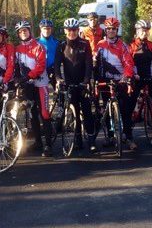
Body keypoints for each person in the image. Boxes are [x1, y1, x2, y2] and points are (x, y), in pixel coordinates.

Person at [93, 17, 137, 150]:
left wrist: (126, 77)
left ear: (117, 30)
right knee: (107, 109)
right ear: (105, 30)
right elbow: (94, 62)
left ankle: (128, 137)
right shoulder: (100, 45)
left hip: (120, 81)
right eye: (108, 29)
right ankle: (111, 136)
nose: (111, 31)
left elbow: (129, 63)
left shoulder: (123, 46)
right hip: (104, 82)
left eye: (113, 29)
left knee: (125, 110)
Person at [54, 18, 97, 152]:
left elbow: (89, 64)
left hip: (82, 83)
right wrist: (58, 78)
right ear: (65, 31)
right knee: (75, 113)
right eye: (69, 30)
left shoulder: (85, 44)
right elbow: (56, 65)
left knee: (87, 112)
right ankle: (78, 140)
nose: (72, 33)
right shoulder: (61, 45)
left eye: (74, 30)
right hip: (69, 83)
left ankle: (91, 141)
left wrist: (86, 80)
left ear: (78, 30)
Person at [14, 20, 53, 157]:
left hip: (41, 84)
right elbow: (16, 67)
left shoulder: (39, 46)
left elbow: (41, 66)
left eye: (25, 30)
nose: (23, 33)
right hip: (28, 86)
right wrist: (17, 79)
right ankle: (38, 142)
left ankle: (48, 145)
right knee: (32, 114)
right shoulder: (17, 49)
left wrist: (27, 76)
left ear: (30, 31)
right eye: (20, 31)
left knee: (44, 113)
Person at [130, 20, 152, 140]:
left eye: (146, 30)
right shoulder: (132, 45)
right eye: (143, 30)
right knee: (132, 102)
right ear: (137, 31)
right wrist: (134, 74)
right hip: (137, 78)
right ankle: (127, 131)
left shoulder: (150, 45)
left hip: (150, 77)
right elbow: (129, 63)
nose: (145, 33)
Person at [37, 19, 59, 84]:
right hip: (40, 70)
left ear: (51, 29)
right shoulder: (36, 42)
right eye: (44, 28)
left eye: (48, 28)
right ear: (41, 29)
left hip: (53, 69)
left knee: (58, 91)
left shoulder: (56, 42)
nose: (46, 31)